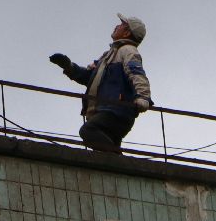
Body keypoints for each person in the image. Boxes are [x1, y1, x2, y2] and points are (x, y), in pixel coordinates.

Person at [49, 15, 153, 153]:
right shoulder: (108, 55)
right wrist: (69, 67)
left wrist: (143, 97)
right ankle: (118, 167)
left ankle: (118, 162)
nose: (117, 26)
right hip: (108, 110)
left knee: (88, 131)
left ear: (127, 32)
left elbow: (137, 74)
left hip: (117, 110)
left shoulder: (127, 51)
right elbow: (90, 77)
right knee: (105, 149)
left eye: (122, 24)